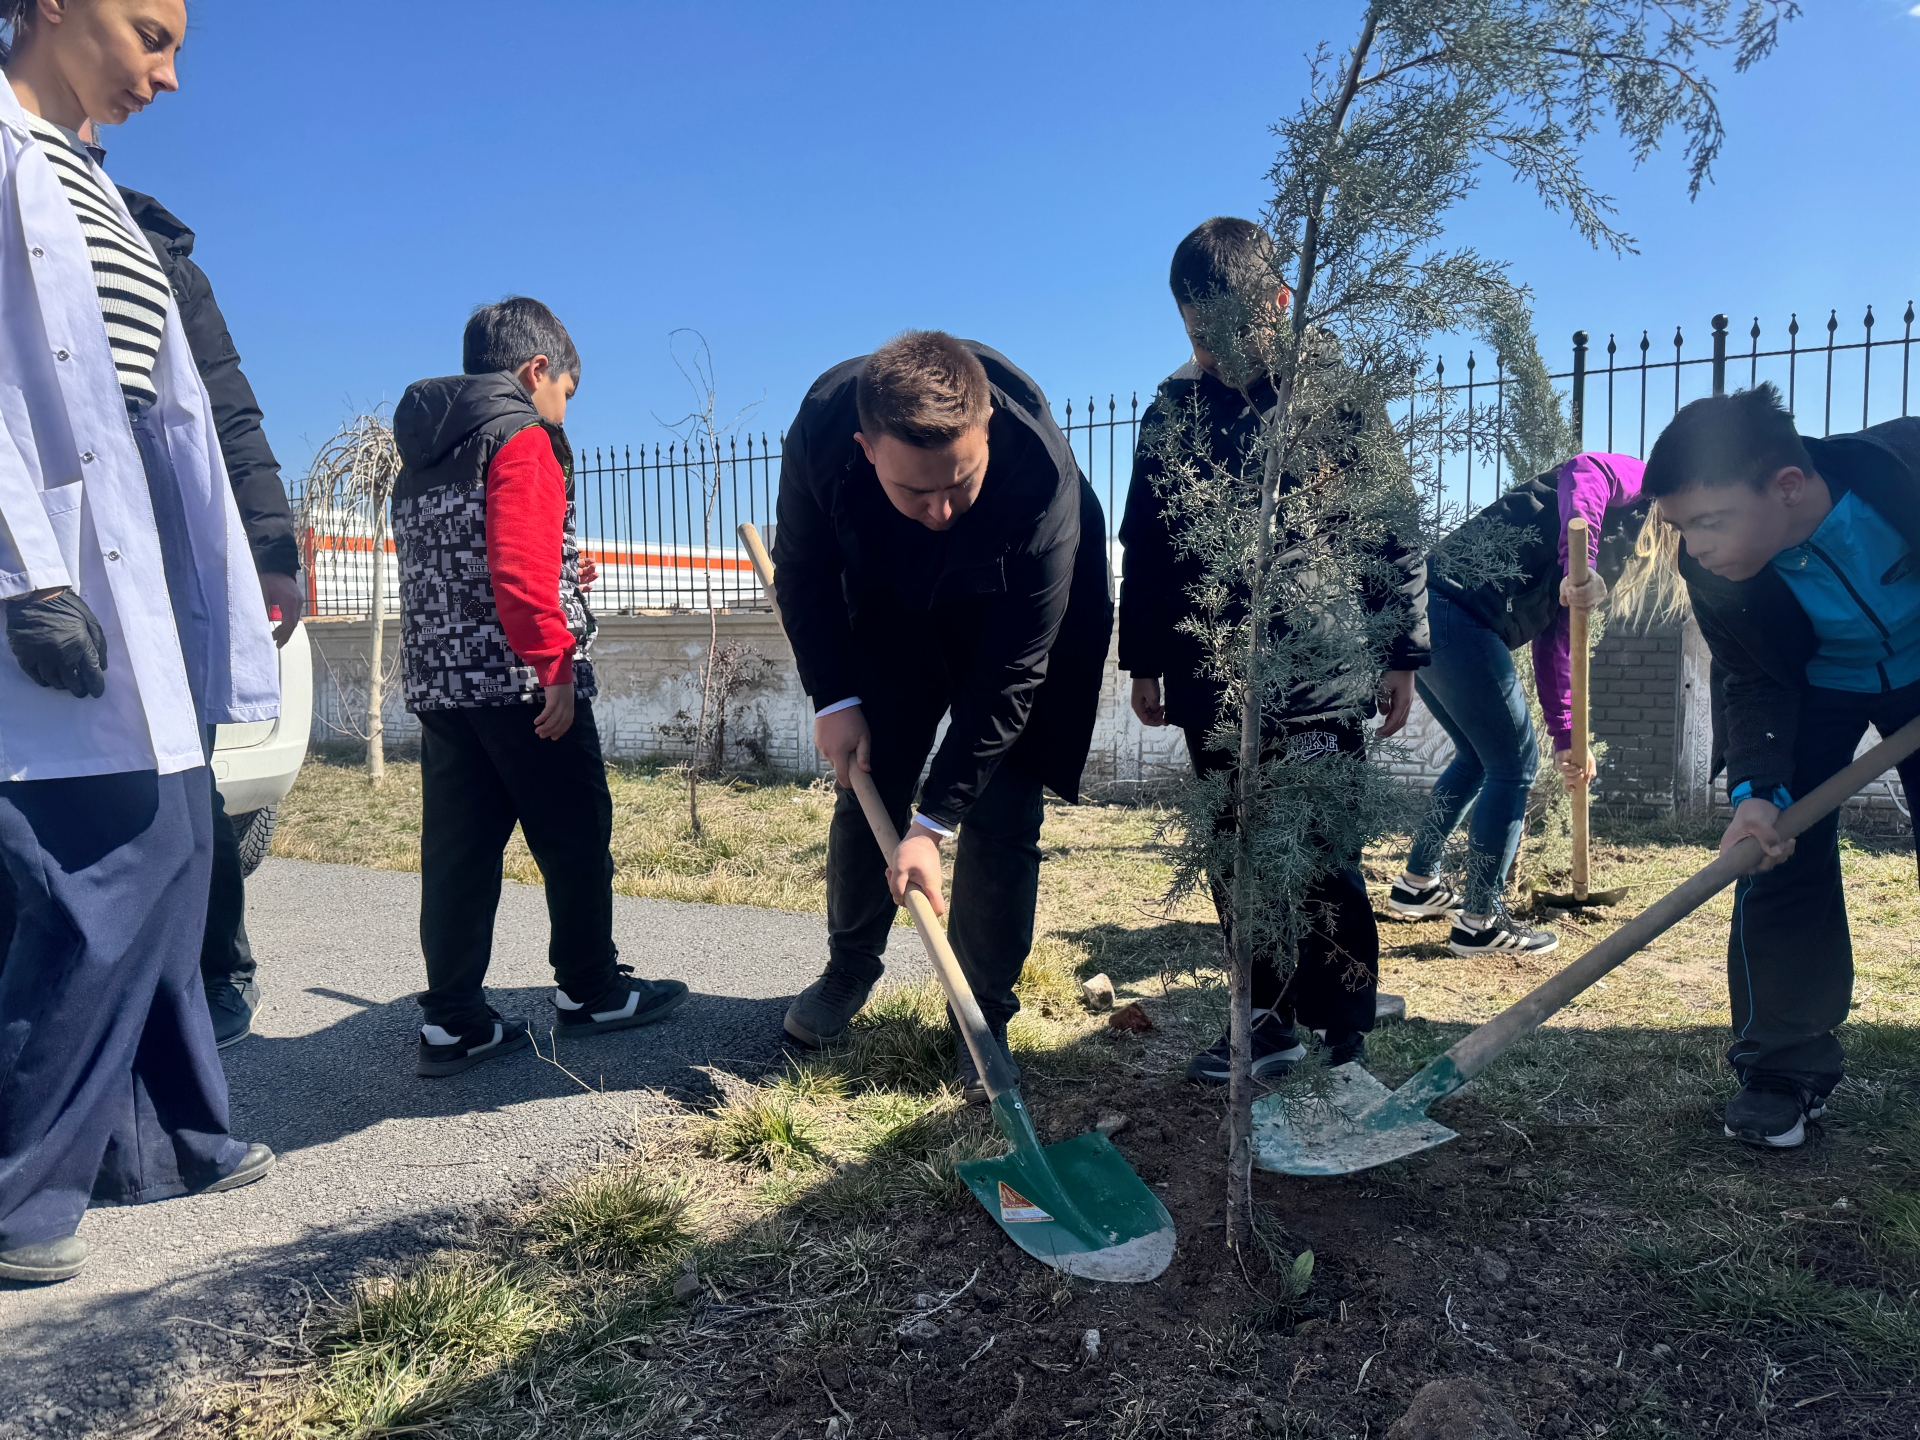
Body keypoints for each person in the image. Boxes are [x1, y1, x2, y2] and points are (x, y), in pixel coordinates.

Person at [0, 0, 277, 1285]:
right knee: (100, 862)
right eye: (149, 34)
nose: (167, 74)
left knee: (178, 838)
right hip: (45, 558)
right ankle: (19, 1185)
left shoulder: (97, 183)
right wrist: (23, 574)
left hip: (134, 551)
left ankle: (165, 1135)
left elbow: (166, 406)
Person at [1119, 217, 1427, 1085]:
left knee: (1324, 853)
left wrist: (1400, 651)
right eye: (1198, 336)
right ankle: (1265, 1018)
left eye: (1233, 331)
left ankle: (1344, 1034)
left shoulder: (1338, 397)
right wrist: (1144, 660)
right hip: (1211, 673)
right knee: (1232, 848)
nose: (1216, 353)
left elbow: (1391, 529)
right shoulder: (1171, 411)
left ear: (1280, 301)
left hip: (1321, 671)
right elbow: (1149, 545)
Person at [771, 331, 1113, 1099]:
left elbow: (1012, 673)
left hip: (1013, 608)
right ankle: (848, 968)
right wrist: (834, 697)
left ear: (986, 428)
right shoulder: (823, 432)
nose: (941, 510)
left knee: (1003, 805)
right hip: (893, 609)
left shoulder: (1038, 473)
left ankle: (981, 1015)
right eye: (915, 493)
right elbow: (803, 572)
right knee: (872, 773)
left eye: (959, 482)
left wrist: (934, 826)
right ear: (866, 450)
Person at [391, 297, 688, 1079]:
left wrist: (560, 570)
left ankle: (453, 1022)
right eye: (566, 392)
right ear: (536, 370)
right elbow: (516, 574)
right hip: (524, 684)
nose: (563, 410)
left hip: (445, 687)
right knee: (575, 835)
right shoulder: (521, 436)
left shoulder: (425, 450)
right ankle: (591, 990)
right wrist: (553, 662)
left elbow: (465, 560)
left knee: (458, 854)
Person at [1643, 383, 1920, 1148]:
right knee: (1774, 855)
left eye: (1709, 521)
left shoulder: (1905, 469)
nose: (1694, 547)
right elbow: (1752, 677)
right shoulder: (1713, 569)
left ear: (1787, 486)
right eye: (1680, 527)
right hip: (1815, 688)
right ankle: (1782, 1068)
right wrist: (1759, 792)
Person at [1390, 451, 1671, 955]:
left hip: (1430, 612)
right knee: (1514, 765)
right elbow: (1587, 469)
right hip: (1457, 611)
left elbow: (1556, 642)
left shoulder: (1618, 542)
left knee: (1478, 759)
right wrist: (1582, 564)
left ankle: (1418, 884)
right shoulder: (1644, 479)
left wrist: (1567, 737)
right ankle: (1480, 920)